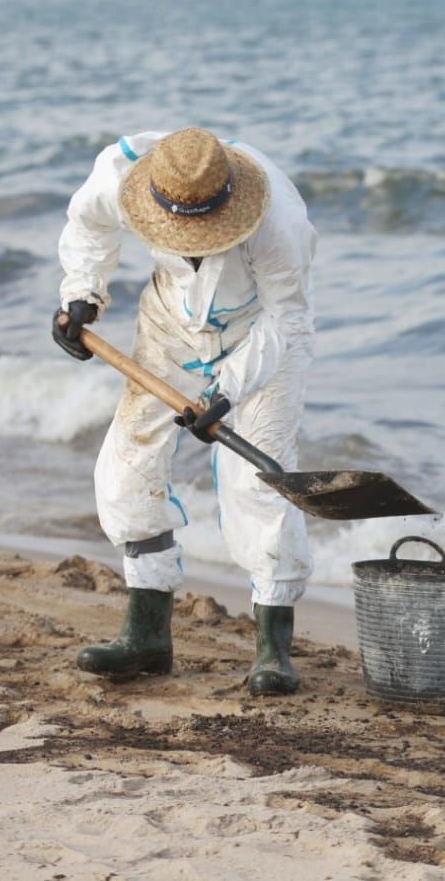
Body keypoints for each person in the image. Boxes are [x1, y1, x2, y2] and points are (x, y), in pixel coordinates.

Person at [52, 127, 317, 695]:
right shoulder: (123, 172)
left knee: (258, 484)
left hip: (263, 339)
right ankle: (147, 635)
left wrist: (226, 392)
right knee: (126, 467)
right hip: (170, 326)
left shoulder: (278, 217)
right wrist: (82, 295)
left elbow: (287, 320)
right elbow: (87, 225)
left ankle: (273, 650)